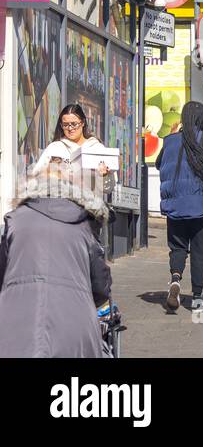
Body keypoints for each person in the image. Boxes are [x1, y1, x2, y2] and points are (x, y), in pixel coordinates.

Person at [0, 166, 112, 357]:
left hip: (15, 324)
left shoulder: (15, 221)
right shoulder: (84, 225)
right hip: (74, 325)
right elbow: (101, 286)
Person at [157, 101, 203, 314]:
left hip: (176, 206)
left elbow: (160, 164)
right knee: (200, 252)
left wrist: (171, 136)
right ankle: (197, 298)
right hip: (202, 207)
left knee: (178, 247)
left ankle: (175, 278)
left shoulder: (170, 142)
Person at [33, 105, 115, 192]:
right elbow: (36, 177)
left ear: (83, 122)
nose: (70, 128)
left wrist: (104, 175)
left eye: (74, 124)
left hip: (89, 203)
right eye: (65, 125)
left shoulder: (96, 148)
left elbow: (108, 189)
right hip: (60, 202)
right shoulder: (55, 148)